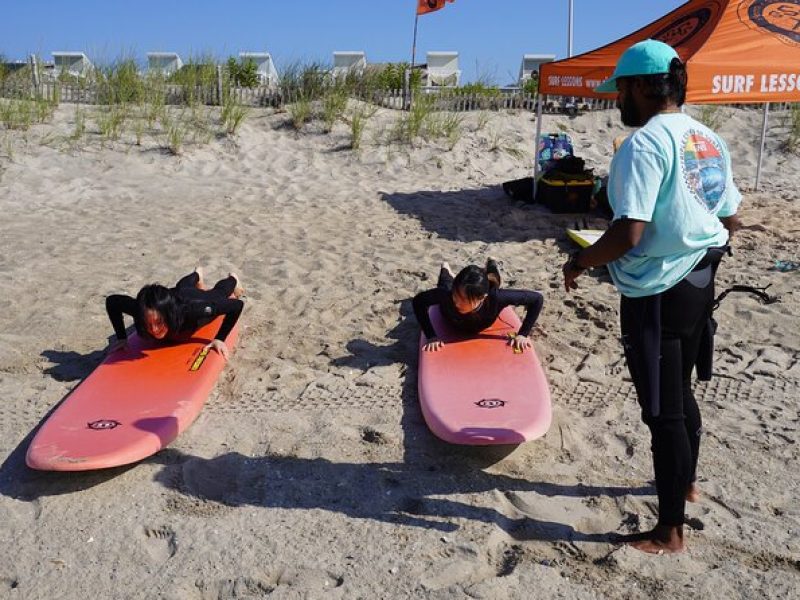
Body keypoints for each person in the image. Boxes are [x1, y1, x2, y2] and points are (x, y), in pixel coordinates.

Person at [562, 40, 742, 555]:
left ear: (642, 86)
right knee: (681, 391)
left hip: (657, 291)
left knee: (661, 410)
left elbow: (629, 233)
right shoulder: (708, 138)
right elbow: (730, 215)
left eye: (620, 88)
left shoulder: (643, 145)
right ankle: (685, 485)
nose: (616, 99)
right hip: (699, 281)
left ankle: (670, 530)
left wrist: (579, 261)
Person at [105, 267, 244, 360]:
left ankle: (232, 279)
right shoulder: (141, 310)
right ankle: (197, 274)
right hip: (168, 296)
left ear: (169, 315)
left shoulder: (192, 311)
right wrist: (121, 337)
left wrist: (219, 339)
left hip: (191, 299)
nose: (154, 330)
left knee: (217, 294)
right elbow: (112, 301)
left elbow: (237, 305)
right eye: (148, 324)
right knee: (182, 286)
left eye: (159, 322)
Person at [413, 258, 544, 353]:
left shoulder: (496, 298)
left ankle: (491, 263)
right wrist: (430, 335)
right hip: (449, 295)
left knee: (495, 280)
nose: (456, 302)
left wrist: (523, 334)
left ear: (482, 298)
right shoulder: (446, 295)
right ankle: (445, 267)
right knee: (445, 283)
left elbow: (537, 299)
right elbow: (418, 302)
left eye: (463, 299)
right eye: (455, 296)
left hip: (484, 291)